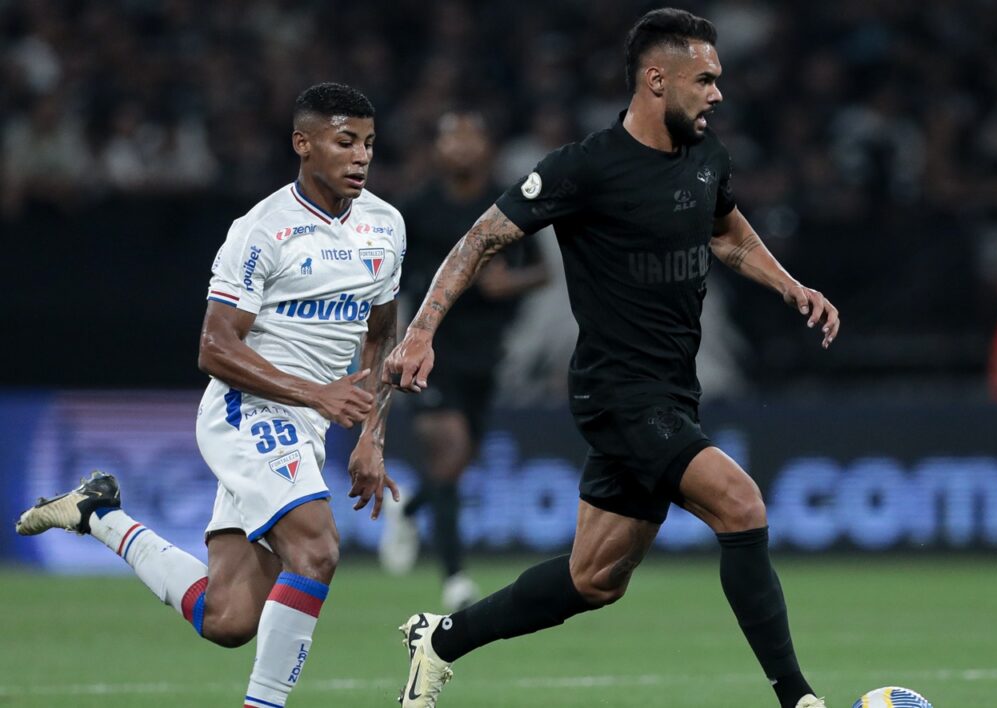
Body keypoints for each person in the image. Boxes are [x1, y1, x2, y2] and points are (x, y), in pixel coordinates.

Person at [384, 9, 838, 708]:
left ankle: (441, 640)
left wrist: (791, 286)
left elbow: (730, 234)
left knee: (593, 579)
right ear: (657, 80)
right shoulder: (584, 168)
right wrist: (420, 331)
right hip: (617, 393)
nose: (718, 93)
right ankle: (799, 699)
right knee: (741, 504)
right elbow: (480, 239)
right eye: (705, 79)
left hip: (672, 391)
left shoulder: (707, 159)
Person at [16, 82, 404, 708]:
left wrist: (371, 434)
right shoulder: (260, 231)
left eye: (368, 143)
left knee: (228, 620)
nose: (360, 156)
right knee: (318, 548)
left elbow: (382, 335)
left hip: (309, 422)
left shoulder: (386, 226)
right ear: (303, 144)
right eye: (344, 142)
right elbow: (214, 348)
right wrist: (317, 394)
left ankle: (97, 513)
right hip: (246, 411)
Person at [378, 110, 548, 611]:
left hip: (486, 352)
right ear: (437, 150)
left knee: (460, 460)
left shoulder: (510, 203)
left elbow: (541, 274)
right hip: (432, 345)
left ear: (487, 147)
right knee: (448, 450)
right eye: (450, 137)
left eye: (470, 136)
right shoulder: (418, 209)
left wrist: (504, 284)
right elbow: (393, 278)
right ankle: (454, 579)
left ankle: (409, 511)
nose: (460, 147)